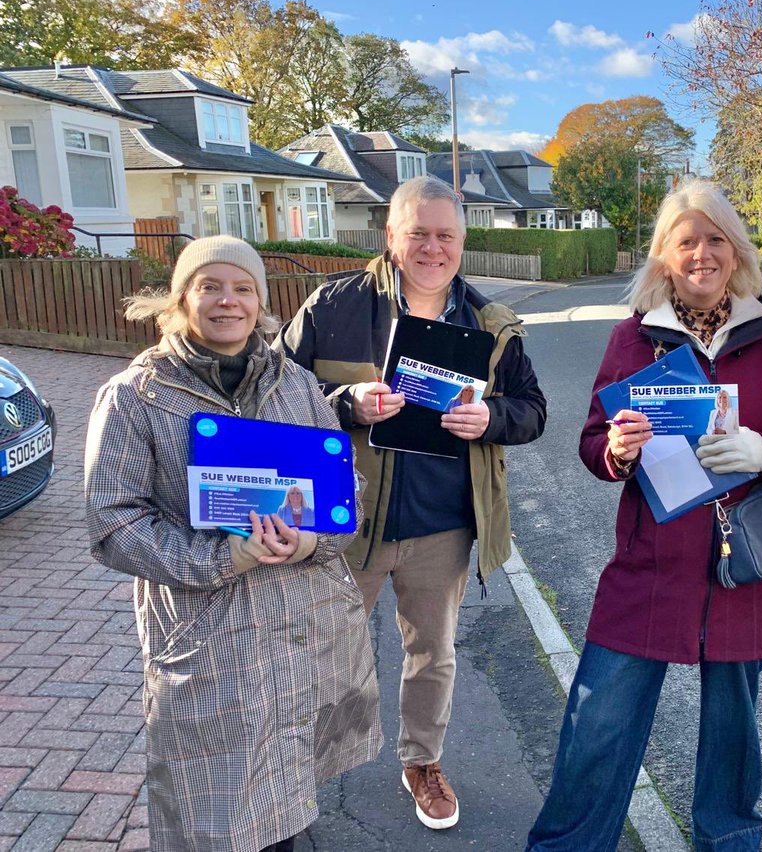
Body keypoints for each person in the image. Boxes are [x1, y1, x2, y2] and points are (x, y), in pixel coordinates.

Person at [527, 180, 762, 852]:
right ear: (664, 257)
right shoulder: (633, 338)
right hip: (650, 566)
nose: (703, 254)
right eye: (688, 241)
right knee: (598, 723)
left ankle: (729, 842)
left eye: (716, 239)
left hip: (747, 568)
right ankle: (567, 845)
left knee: (733, 737)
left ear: (736, 252)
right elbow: (593, 442)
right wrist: (618, 450)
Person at [84, 236, 382, 852]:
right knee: (208, 813)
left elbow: (341, 494)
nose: (229, 301)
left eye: (243, 288)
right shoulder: (136, 396)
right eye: (210, 286)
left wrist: (311, 543)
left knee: (286, 795)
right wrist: (225, 556)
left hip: (297, 632)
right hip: (206, 639)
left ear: (261, 301)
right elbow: (113, 524)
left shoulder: (295, 387)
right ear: (181, 299)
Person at [276, 175, 546, 831]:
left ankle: (421, 762)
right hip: (344, 525)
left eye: (445, 235)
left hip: (443, 528)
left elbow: (533, 412)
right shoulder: (334, 305)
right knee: (321, 654)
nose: (432, 247)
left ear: (461, 242)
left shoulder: (491, 325)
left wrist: (490, 418)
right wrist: (345, 406)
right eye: (417, 233)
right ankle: (296, 775)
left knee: (433, 653)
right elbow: (274, 392)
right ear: (391, 237)